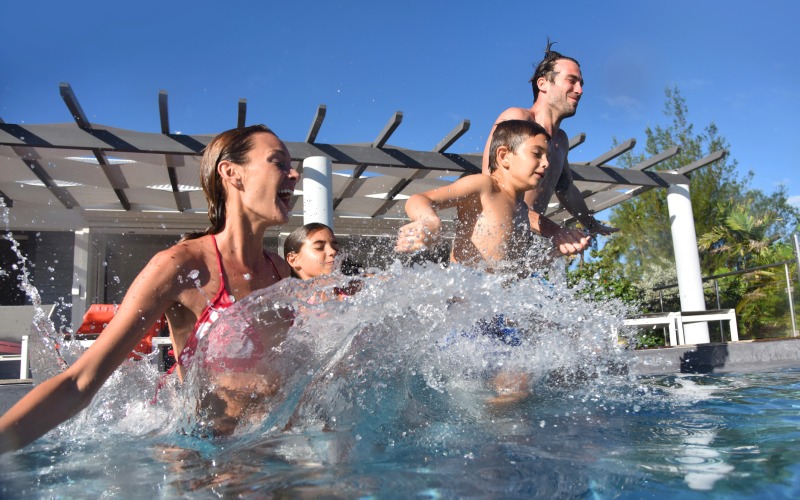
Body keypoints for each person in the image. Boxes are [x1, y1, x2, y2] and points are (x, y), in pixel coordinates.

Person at [0, 124, 299, 453]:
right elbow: (79, 382)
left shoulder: (279, 269)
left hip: (276, 447)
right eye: (278, 162)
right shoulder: (181, 266)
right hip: (211, 459)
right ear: (231, 173)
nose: (294, 174)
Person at [481, 40, 618, 257]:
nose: (580, 90)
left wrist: (590, 223)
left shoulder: (561, 141)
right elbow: (492, 189)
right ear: (543, 84)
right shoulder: (516, 119)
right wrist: (555, 231)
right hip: (484, 251)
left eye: (581, 84)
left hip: (517, 253)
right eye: (571, 81)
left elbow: (565, 188)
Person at [396, 119, 550, 273]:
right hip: (464, 296)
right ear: (504, 156)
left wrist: (555, 253)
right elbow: (418, 199)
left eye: (547, 157)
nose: (546, 163)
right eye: (537, 154)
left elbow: (517, 272)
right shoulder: (485, 186)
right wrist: (429, 221)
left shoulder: (522, 209)